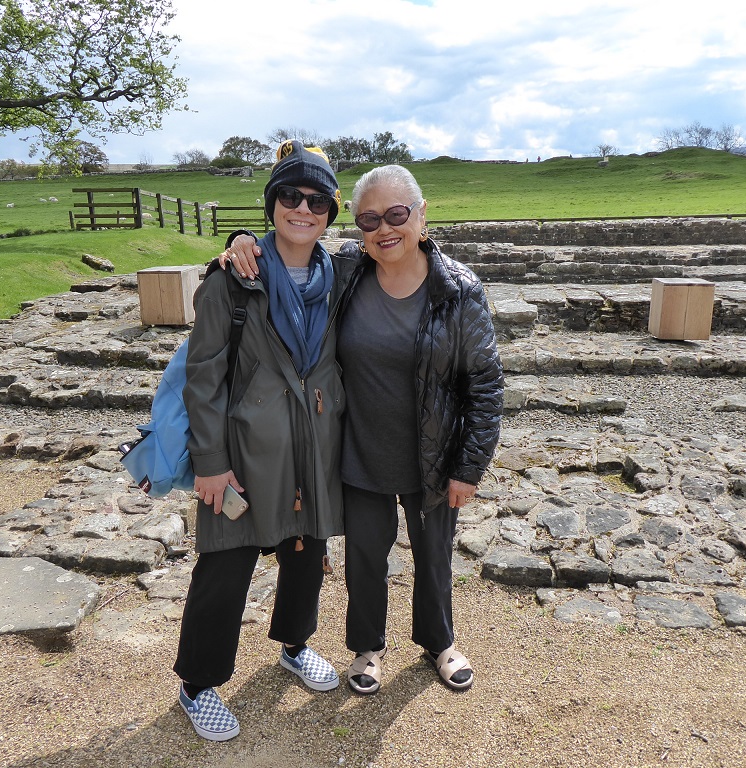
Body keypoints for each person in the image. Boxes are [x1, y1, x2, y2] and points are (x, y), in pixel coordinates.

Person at [224, 164, 503, 696]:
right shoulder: (348, 270)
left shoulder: (459, 288)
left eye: (396, 214)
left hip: (432, 456)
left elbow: (485, 385)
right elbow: (290, 249)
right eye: (369, 219)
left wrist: (469, 467)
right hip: (361, 453)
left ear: (421, 214)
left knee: (434, 558)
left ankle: (439, 642)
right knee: (365, 562)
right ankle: (367, 648)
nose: (384, 229)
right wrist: (242, 241)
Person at [174, 141, 354, 742]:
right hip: (244, 449)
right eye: (290, 196)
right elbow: (203, 378)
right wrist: (210, 462)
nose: (303, 209)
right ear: (272, 202)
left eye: (317, 200)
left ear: (331, 212)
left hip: (314, 444)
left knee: (306, 554)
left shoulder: (342, 277)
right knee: (225, 565)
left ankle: (294, 645)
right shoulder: (231, 280)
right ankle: (198, 683)